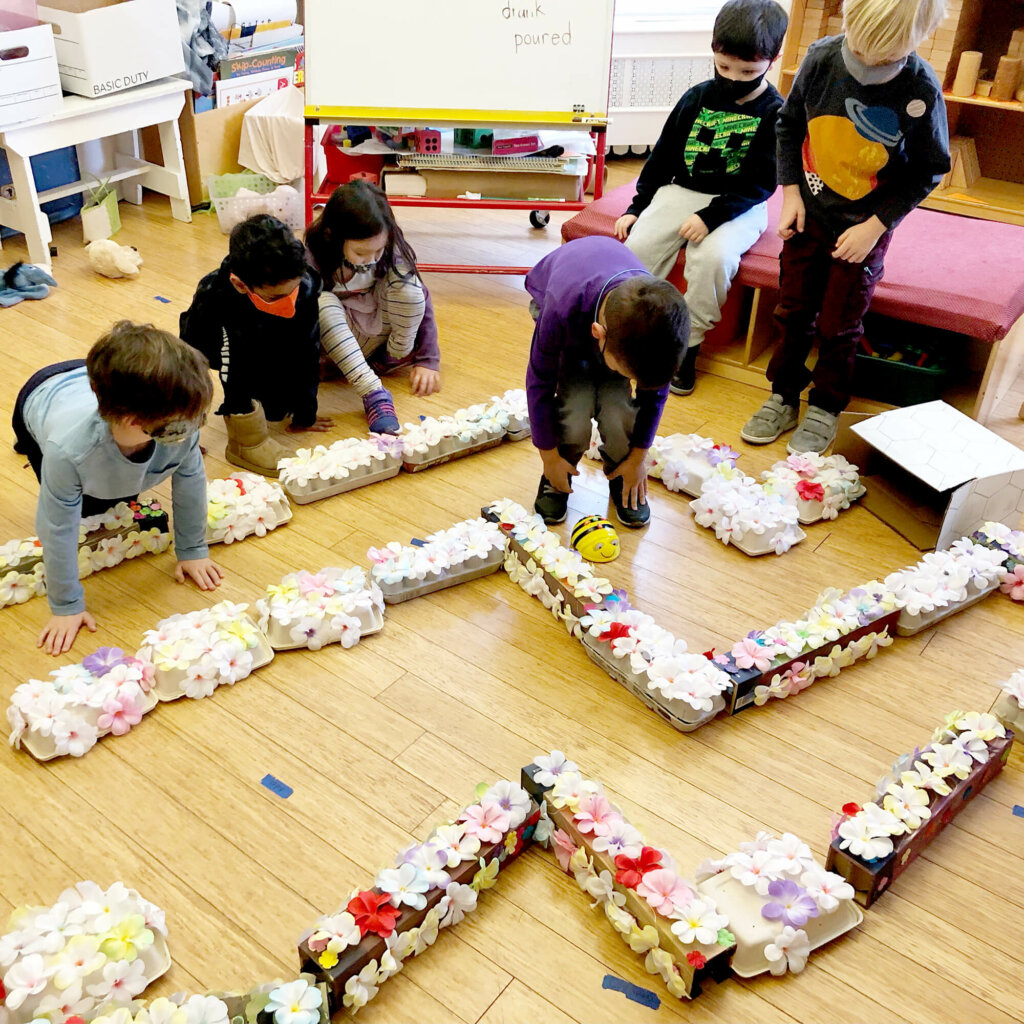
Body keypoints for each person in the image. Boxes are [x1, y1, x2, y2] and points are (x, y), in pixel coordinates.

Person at [741, 0, 949, 454]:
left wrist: (876, 226)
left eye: (886, 58)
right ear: (848, 21)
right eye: (861, 53)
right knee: (792, 312)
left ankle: (826, 405)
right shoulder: (820, 58)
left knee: (839, 324)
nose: (869, 65)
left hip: (863, 230)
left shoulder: (922, 89)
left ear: (917, 40)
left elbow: (928, 170)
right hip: (808, 214)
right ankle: (782, 395)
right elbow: (789, 126)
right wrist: (790, 193)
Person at [11, 321, 223, 656]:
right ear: (130, 420)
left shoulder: (180, 419)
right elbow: (57, 527)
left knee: (119, 500)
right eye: (176, 429)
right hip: (40, 396)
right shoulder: (68, 451)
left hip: (90, 381)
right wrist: (66, 604)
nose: (189, 433)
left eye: (196, 421)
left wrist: (193, 549)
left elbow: (190, 480)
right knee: (91, 513)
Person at [615, 0, 788, 397]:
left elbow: (762, 184)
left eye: (747, 71)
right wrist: (636, 208)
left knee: (713, 259)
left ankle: (688, 346)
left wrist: (711, 218)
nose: (733, 78)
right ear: (713, 50)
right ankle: (633, 333)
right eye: (724, 67)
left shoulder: (775, 112)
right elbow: (661, 158)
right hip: (682, 192)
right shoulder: (696, 98)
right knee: (637, 248)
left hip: (739, 204)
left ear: (772, 60)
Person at [525, 235, 690, 529]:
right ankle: (557, 475)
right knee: (575, 407)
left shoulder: (657, 329)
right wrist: (549, 456)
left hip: (609, 324)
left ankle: (621, 472)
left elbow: (654, 395)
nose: (631, 381)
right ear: (598, 334)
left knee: (617, 409)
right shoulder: (561, 309)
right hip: (566, 308)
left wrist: (638, 457)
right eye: (629, 374)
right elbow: (539, 381)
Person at [180, 214, 327, 477]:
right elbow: (229, 369)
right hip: (209, 345)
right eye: (277, 297)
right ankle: (236, 444)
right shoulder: (216, 296)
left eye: (293, 291)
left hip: (268, 336)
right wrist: (186, 432)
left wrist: (306, 413)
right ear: (240, 284)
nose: (290, 302)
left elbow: (308, 350)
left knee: (275, 411)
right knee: (207, 380)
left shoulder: (304, 284)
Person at [306, 181, 442, 434]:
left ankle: (388, 360)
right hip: (338, 342)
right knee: (321, 303)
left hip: (379, 339)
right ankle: (373, 391)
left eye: (378, 250)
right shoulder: (314, 256)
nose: (371, 259)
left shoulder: (391, 249)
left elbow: (422, 298)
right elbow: (300, 320)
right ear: (332, 236)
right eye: (361, 252)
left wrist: (428, 359)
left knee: (409, 288)